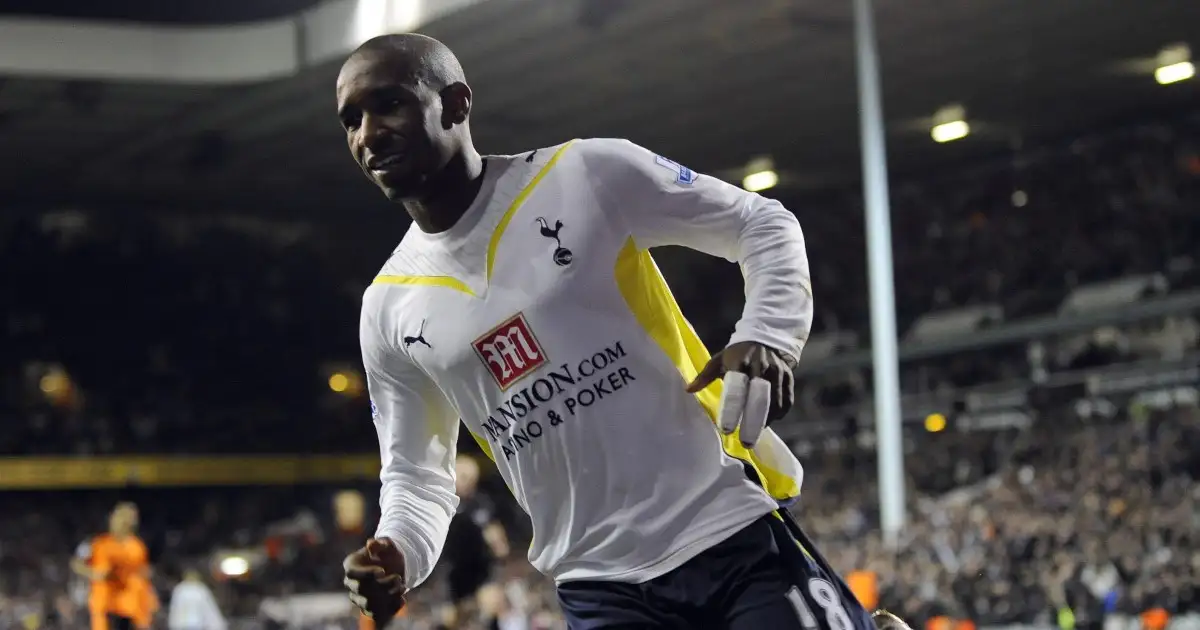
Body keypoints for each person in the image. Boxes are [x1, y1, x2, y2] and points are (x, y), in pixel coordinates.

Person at [337, 32, 871, 630]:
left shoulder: (584, 173)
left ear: (457, 104)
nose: (367, 134)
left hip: (728, 534)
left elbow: (762, 225)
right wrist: (397, 555)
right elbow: (417, 476)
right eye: (350, 120)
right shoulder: (387, 308)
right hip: (599, 591)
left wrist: (768, 333)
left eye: (388, 104)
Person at [71, 502, 158, 630]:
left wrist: (147, 602)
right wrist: (92, 573)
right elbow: (76, 563)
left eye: (130, 519)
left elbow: (141, 576)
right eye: (122, 518)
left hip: (128, 607)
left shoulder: (137, 547)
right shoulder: (98, 544)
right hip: (104, 605)